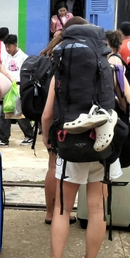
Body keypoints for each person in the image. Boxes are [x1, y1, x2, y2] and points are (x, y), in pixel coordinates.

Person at [37, 25, 130, 258]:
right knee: (96, 209)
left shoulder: (61, 73)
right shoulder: (113, 69)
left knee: (62, 208)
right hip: (103, 149)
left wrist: (47, 139)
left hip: (70, 146)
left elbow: (47, 115)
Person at [41, 17, 88, 225]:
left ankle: (50, 212)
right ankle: (61, 210)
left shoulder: (50, 51)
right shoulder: (72, 54)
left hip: (49, 116)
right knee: (64, 169)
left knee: (52, 166)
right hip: (64, 118)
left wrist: (44, 131)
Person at [0, 34, 35, 147]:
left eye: (9, 46)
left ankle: (29, 135)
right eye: (6, 47)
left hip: (18, 88)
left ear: (15, 45)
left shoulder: (24, 57)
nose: (8, 49)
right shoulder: (6, 59)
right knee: (6, 112)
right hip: (8, 88)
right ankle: (3, 139)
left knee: (19, 113)